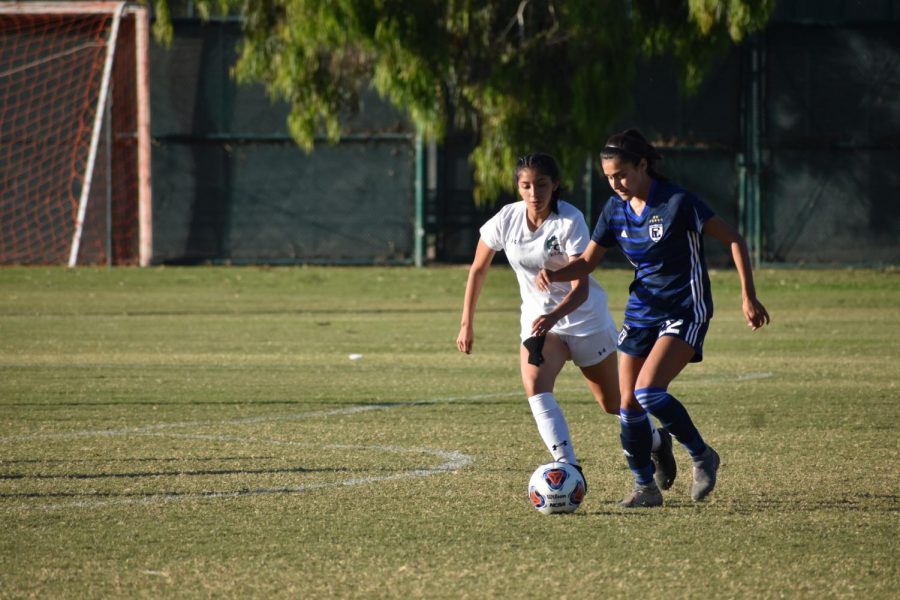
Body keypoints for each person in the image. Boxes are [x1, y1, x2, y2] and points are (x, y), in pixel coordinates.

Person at [536, 129, 770, 507]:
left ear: (642, 165)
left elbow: (733, 239)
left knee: (649, 391)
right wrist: (555, 273)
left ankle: (701, 454)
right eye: (609, 178)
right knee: (627, 405)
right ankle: (645, 488)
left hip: (685, 309)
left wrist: (749, 296)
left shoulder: (677, 202)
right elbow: (588, 261)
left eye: (622, 175)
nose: (616, 184)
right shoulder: (615, 209)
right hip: (642, 311)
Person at [457, 152, 676, 493]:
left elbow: (581, 287)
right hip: (541, 324)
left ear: (555, 185)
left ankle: (658, 442)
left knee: (613, 403)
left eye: (541, 185)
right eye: (526, 185)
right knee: (535, 385)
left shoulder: (569, 220)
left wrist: (554, 314)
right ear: (518, 187)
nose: (533, 193)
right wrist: (466, 323)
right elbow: (479, 269)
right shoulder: (507, 218)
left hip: (585, 320)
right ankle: (568, 465)